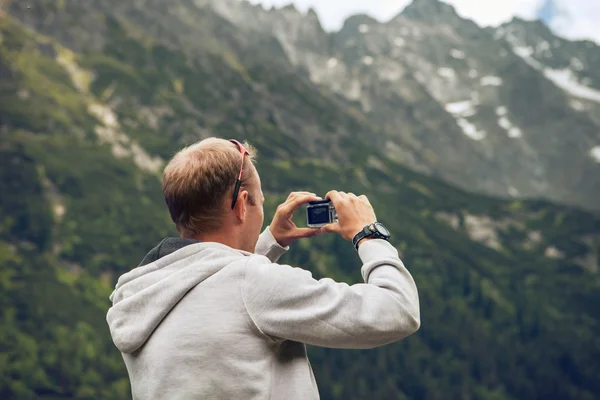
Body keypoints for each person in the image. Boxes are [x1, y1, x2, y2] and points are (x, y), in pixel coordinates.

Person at [106, 137, 420, 400]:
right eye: (258, 202)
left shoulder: (140, 295)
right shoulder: (253, 284)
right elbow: (399, 311)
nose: (260, 211)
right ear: (242, 204)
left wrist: (269, 242)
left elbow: (215, 291)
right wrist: (369, 234)